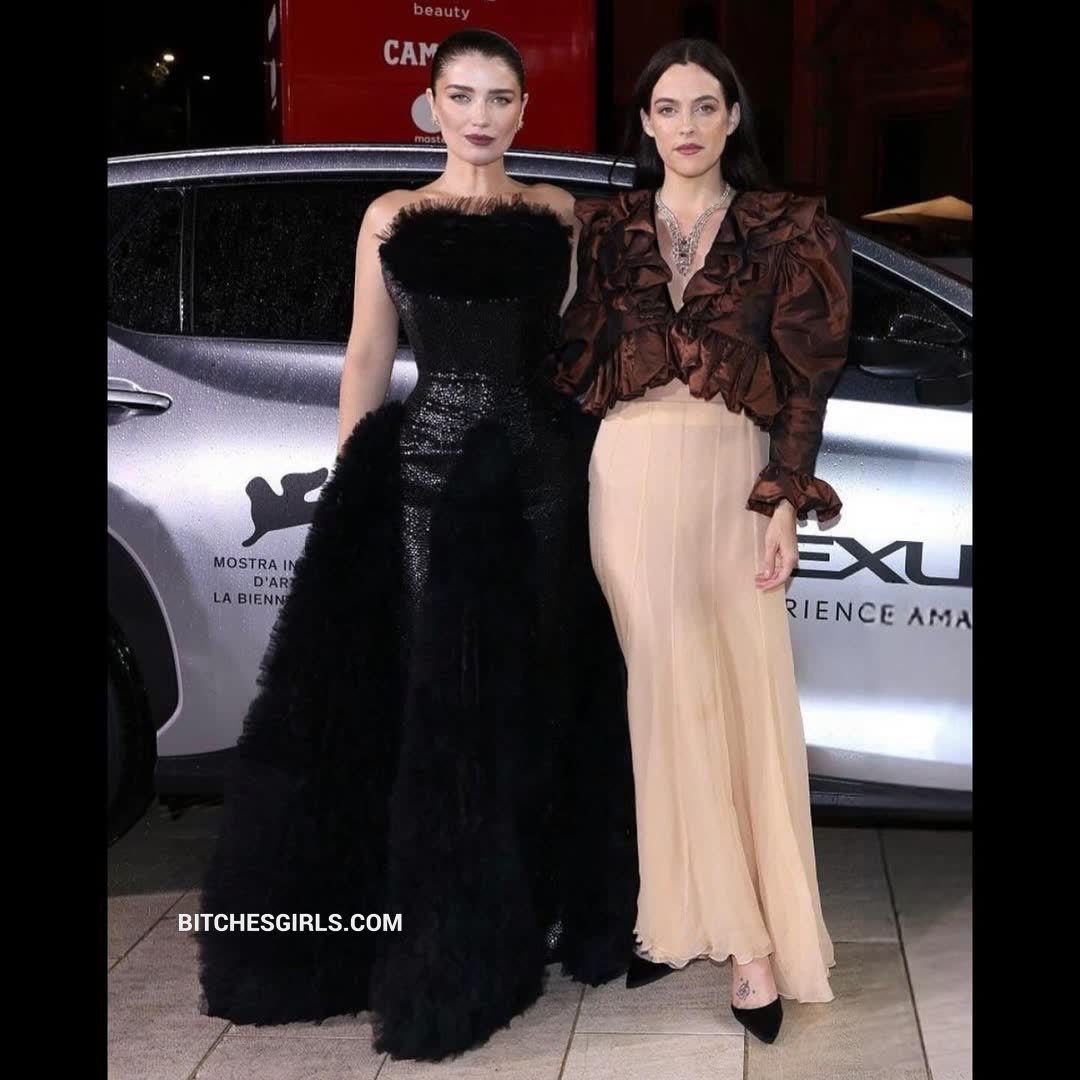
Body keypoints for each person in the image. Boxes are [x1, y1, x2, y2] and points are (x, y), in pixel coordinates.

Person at [197, 28, 638, 1062]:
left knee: (536, 685)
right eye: (462, 95)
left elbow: (580, 353)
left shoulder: (558, 213)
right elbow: (366, 355)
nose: (481, 115)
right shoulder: (390, 215)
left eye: (500, 97)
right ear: (431, 106)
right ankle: (441, 928)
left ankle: (528, 905)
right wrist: (353, 489)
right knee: (434, 694)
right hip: (425, 478)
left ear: (525, 111)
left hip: (540, 477)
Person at [555, 38, 852, 1045]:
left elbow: (806, 380)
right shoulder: (603, 228)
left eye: (705, 107)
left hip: (733, 473)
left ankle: (734, 926)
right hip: (629, 473)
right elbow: (569, 353)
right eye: (667, 109)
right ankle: (707, 927)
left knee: (743, 698)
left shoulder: (787, 227)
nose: (686, 126)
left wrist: (784, 502)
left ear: (733, 119)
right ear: (645, 124)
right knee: (663, 699)